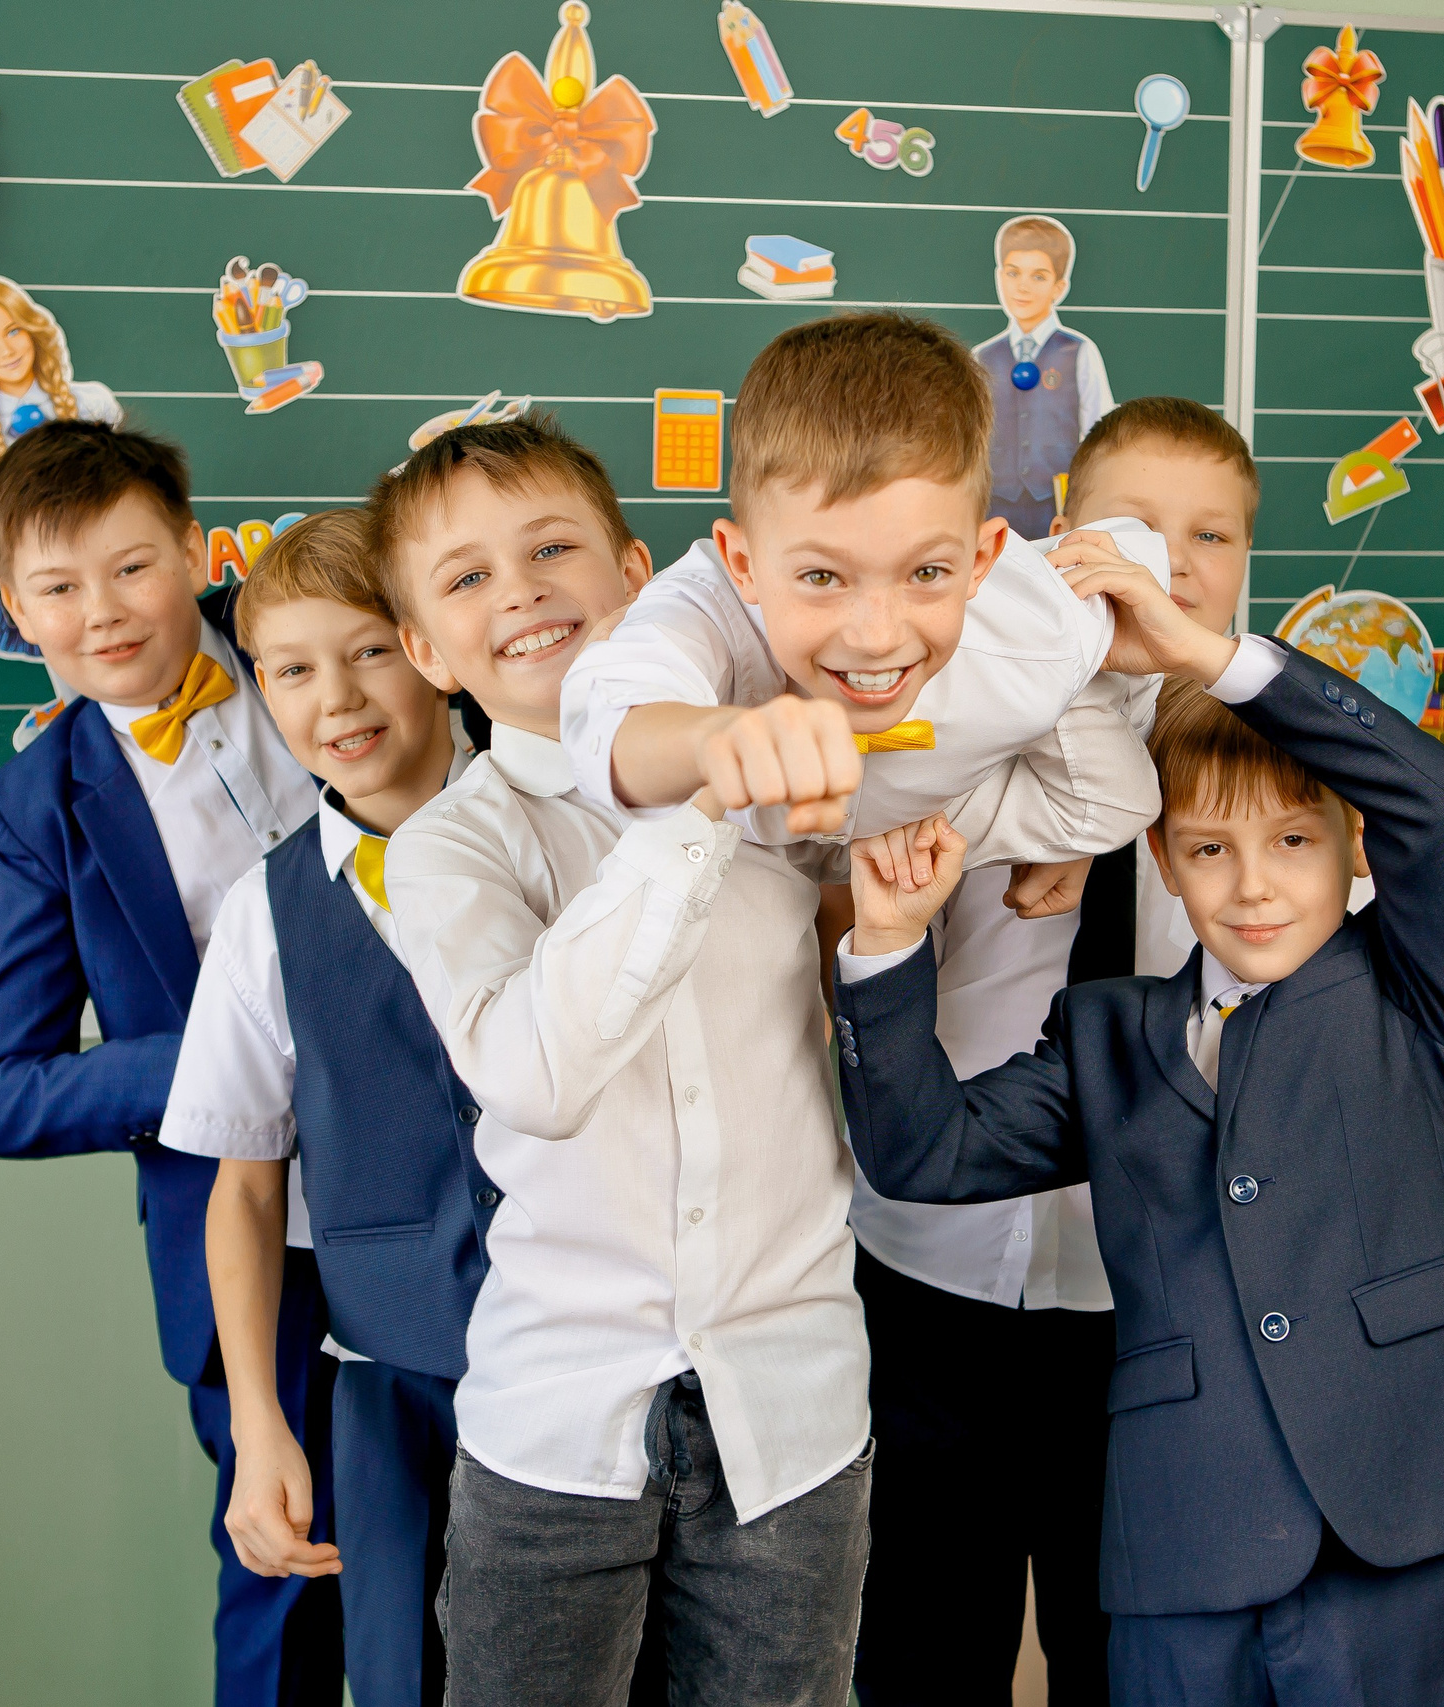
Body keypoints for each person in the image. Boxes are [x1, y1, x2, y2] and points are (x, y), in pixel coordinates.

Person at [829, 565, 1444, 1707]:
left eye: (1292, 843)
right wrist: (885, 946)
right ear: (1165, 861)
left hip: (1387, 1530)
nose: (1251, 889)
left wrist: (1207, 656)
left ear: (1353, 852)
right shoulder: (1107, 1034)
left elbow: (1438, 803)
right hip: (1181, 1547)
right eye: (1209, 850)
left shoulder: (1408, 995)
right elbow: (922, 1154)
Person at [375, 415, 873, 1707]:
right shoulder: (448, 849)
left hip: (793, 1402)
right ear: (427, 651)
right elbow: (540, 1074)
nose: (524, 590)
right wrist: (692, 790)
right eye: (468, 576)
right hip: (557, 1413)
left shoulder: (782, 763)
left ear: (642, 579)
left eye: (553, 548)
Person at [848, 395, 1265, 1707]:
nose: (1177, 564)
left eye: (1215, 536)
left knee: (1129, 1654)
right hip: (930, 1283)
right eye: (1142, 526)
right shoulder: (957, 719)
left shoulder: (1279, 786)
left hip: (1154, 1307)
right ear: (1060, 539)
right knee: (920, 1642)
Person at [0, 421, 338, 1707]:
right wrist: (212, 1062)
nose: (102, 615)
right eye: (57, 588)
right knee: (284, 1586)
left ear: (191, 547)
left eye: (132, 568)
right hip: (246, 1244)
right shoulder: (34, 804)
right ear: (16, 606)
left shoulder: (330, 628)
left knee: (493, 1565)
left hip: (469, 1187)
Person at [157, 510, 489, 1707]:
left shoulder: (564, 836)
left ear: (436, 651)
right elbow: (243, 1186)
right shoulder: (266, 912)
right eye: (289, 670)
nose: (334, 699)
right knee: (404, 1677)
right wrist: (259, 1428)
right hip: (394, 1392)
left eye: (368, 652)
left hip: (591, 1370)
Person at [559, 310, 1162, 899]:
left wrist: (1076, 699)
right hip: (756, 845)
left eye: (926, 573)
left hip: (939, 809)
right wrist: (721, 740)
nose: (876, 637)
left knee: (1119, 808)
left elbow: (1137, 599)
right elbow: (609, 720)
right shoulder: (707, 606)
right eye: (822, 577)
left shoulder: (1039, 627)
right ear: (743, 564)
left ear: (981, 563)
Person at [0, 276, 123, 665]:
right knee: (65, 662)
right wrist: (12, 585)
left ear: (32, 329)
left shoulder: (90, 405)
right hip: (38, 577)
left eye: (12, 331)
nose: (5, 351)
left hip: (104, 563)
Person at [973, 215, 1115, 540]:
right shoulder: (982, 357)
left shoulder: (1079, 352)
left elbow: (1101, 434)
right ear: (999, 277)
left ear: (1059, 287)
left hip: (1057, 505)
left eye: (1038, 276)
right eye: (1012, 273)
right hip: (993, 505)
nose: (1022, 286)